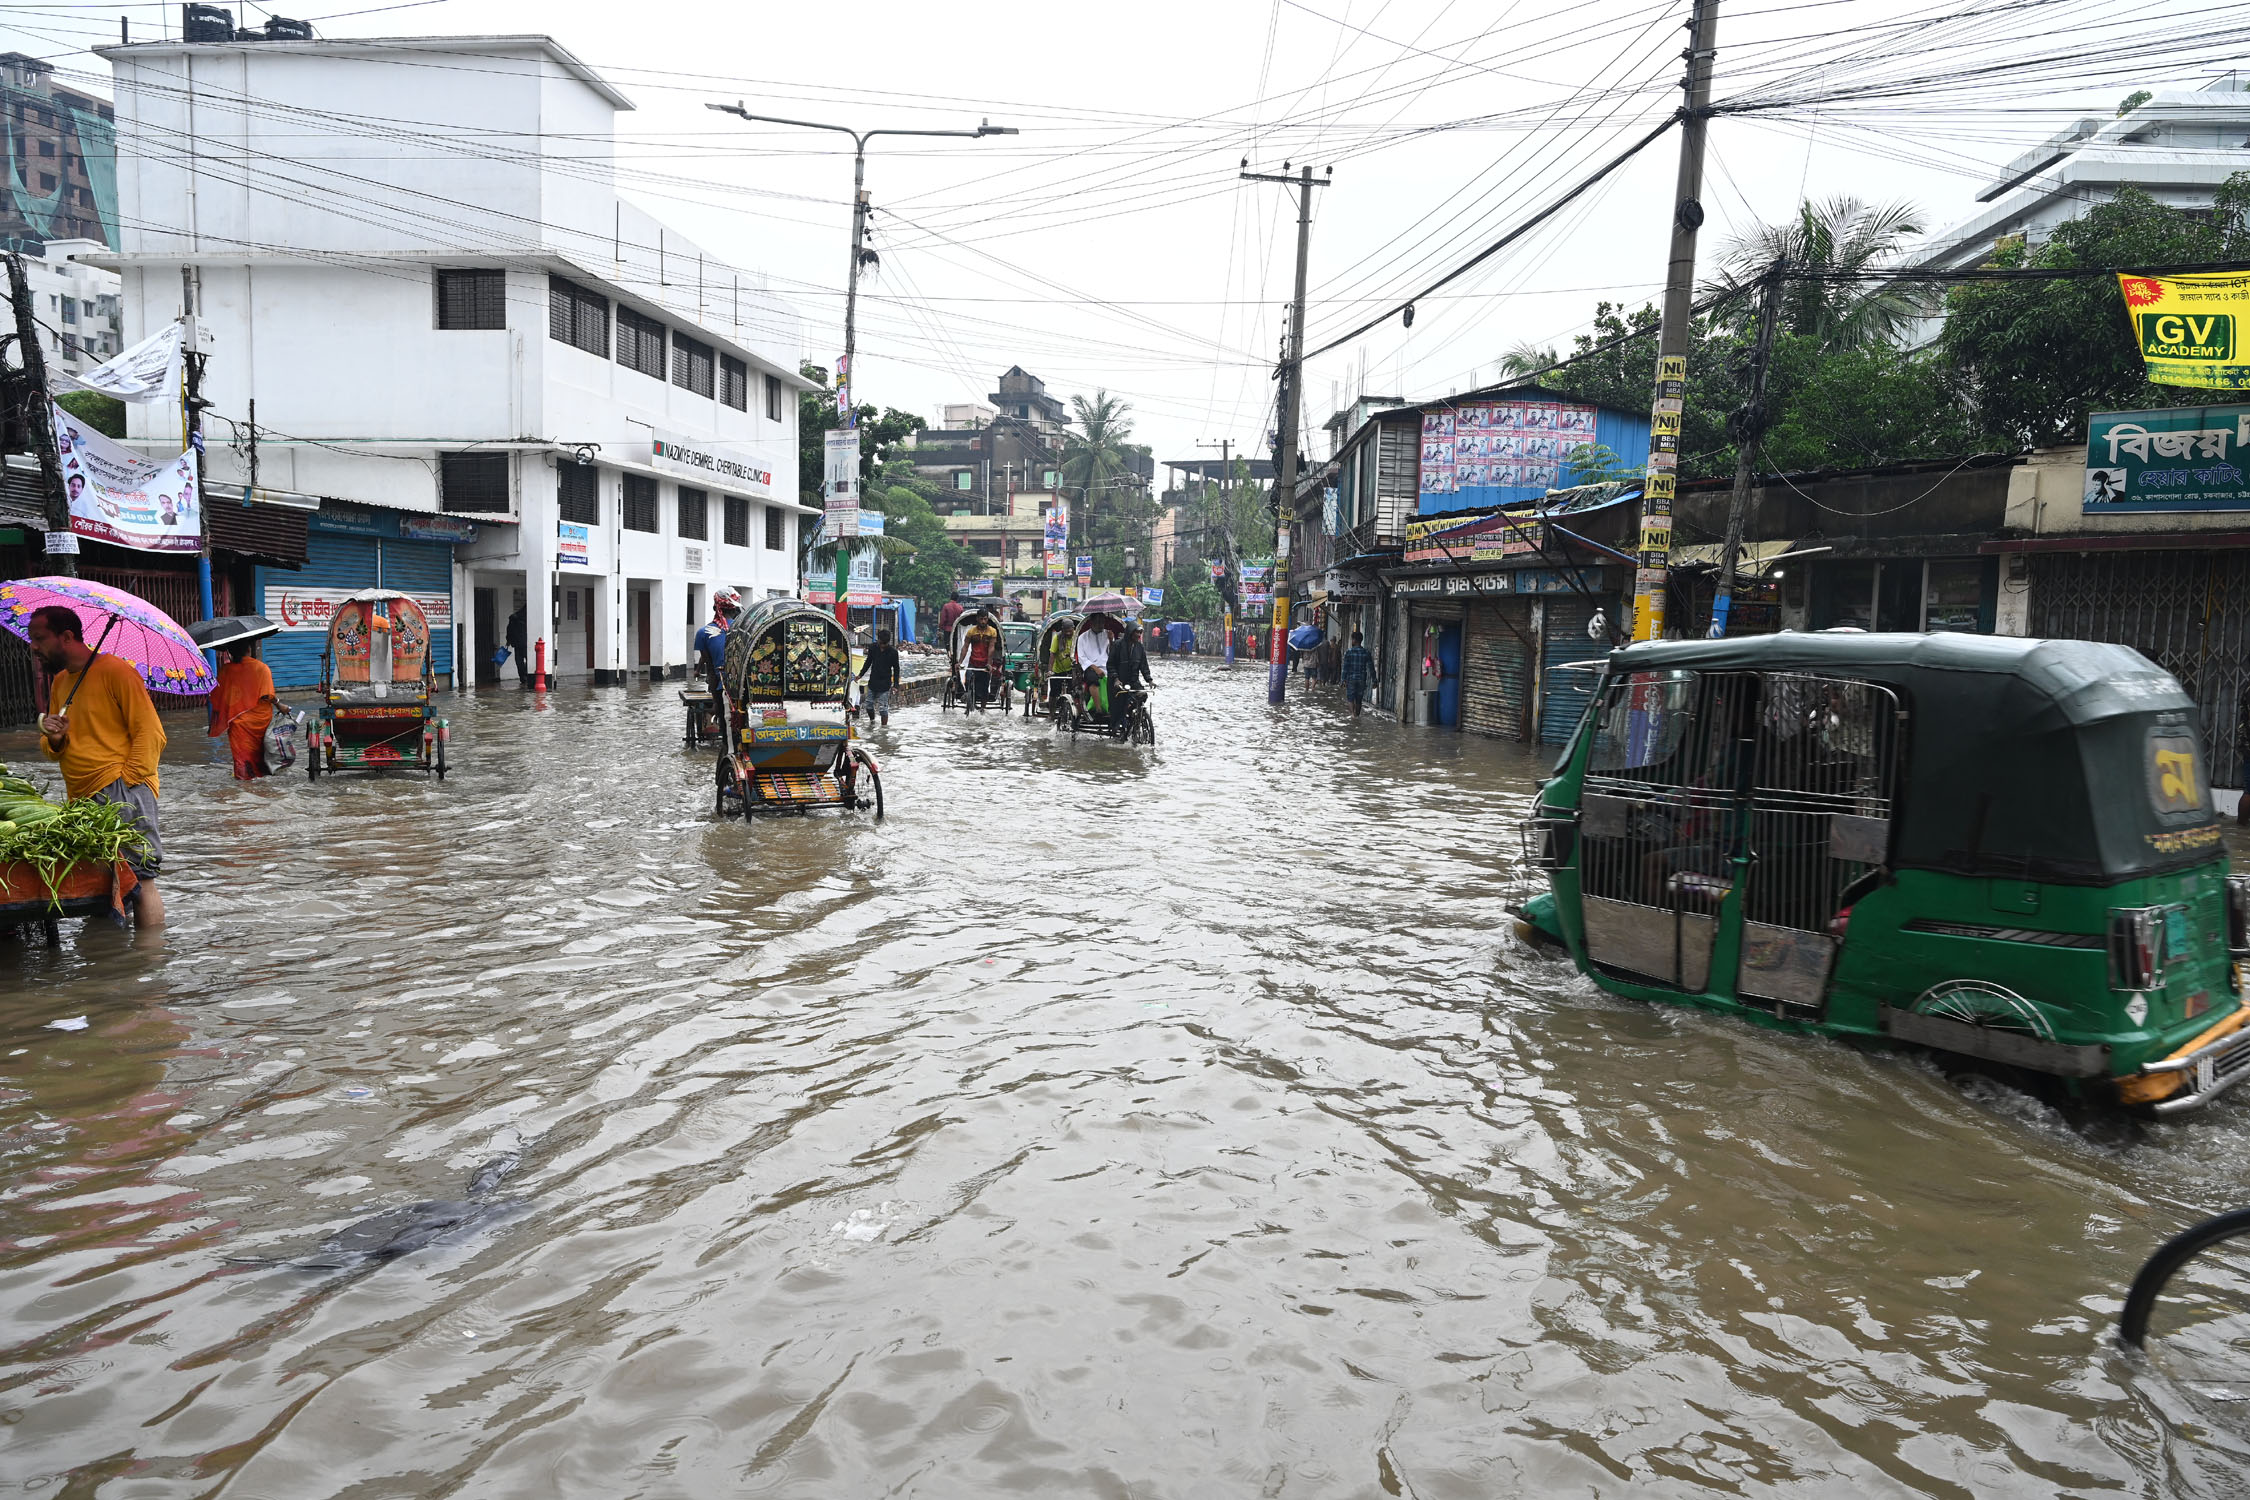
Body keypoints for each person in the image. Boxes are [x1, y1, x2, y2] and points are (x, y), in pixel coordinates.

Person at [30, 605, 166, 927]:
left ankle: (151, 962)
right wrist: (58, 738)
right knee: (100, 884)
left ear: (66, 637)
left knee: (141, 878)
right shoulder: (61, 682)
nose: (33, 648)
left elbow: (151, 733)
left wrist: (127, 783)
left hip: (121, 788)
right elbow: (56, 751)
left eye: (39, 638)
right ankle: (112, 965)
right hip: (80, 798)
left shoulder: (116, 671)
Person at [209, 641, 277, 780]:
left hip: (237, 723)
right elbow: (267, 696)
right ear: (248, 649)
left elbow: (218, 694)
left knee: (242, 758)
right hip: (261, 721)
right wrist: (279, 704)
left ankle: (243, 787)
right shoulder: (262, 668)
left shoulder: (225, 670)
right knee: (262, 756)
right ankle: (262, 787)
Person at [1107, 621, 1153, 734]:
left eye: (1140, 633)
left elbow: (1144, 666)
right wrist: (1116, 679)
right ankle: (1117, 724)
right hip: (1118, 681)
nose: (1138, 635)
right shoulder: (1118, 645)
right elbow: (1110, 664)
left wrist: (1149, 680)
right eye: (1136, 632)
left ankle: (1135, 719)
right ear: (1130, 632)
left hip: (1133, 681)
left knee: (1142, 695)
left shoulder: (1140, 647)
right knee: (1118, 705)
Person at [693, 590, 739, 696]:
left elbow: (708, 661)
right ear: (734, 610)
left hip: (720, 679)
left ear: (715, 609)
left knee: (718, 704)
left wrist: (698, 670)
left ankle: (715, 710)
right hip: (741, 680)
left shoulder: (703, 632)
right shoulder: (744, 629)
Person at [1076, 611, 1117, 717]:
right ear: (1091, 622)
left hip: (1108, 666)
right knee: (1093, 681)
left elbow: (1113, 654)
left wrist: (1111, 640)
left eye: (1102, 622)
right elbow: (1082, 658)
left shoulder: (1108, 634)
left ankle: (1116, 709)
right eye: (1098, 622)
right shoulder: (1082, 637)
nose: (1100, 625)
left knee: (1120, 680)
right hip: (1090, 667)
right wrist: (1095, 669)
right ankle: (1099, 709)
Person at [860, 628, 902, 727]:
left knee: (883, 708)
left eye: (884, 644)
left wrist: (896, 685)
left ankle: (883, 729)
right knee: (868, 704)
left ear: (888, 643)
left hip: (885, 683)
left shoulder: (893, 652)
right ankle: (872, 722)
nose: (882, 646)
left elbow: (896, 669)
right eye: (881, 643)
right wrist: (860, 674)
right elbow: (868, 662)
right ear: (878, 640)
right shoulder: (873, 648)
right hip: (873, 681)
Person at [961, 609, 1001, 705]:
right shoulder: (971, 632)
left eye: (985, 619)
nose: (983, 621)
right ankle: (970, 700)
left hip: (985, 663)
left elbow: (991, 648)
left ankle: (983, 708)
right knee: (968, 680)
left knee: (984, 687)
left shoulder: (992, 631)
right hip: (973, 662)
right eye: (981, 619)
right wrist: (959, 662)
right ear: (977, 619)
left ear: (987, 619)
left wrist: (989, 663)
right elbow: (965, 647)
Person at [1340, 629, 1375, 718]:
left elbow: (1345, 668)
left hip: (1351, 679)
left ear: (1355, 640)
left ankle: (1353, 715)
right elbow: (1371, 668)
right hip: (1361, 679)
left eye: (1352, 639)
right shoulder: (1366, 652)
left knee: (1350, 698)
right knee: (1359, 700)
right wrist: (1374, 680)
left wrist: (1342, 680)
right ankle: (1357, 716)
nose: (1352, 641)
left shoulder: (1348, 652)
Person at [504, 605, 530, 687]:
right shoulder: (528, 618)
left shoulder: (513, 618)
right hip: (525, 644)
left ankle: (522, 677)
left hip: (517, 644)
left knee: (519, 661)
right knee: (529, 660)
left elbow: (509, 630)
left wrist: (508, 640)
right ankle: (526, 675)